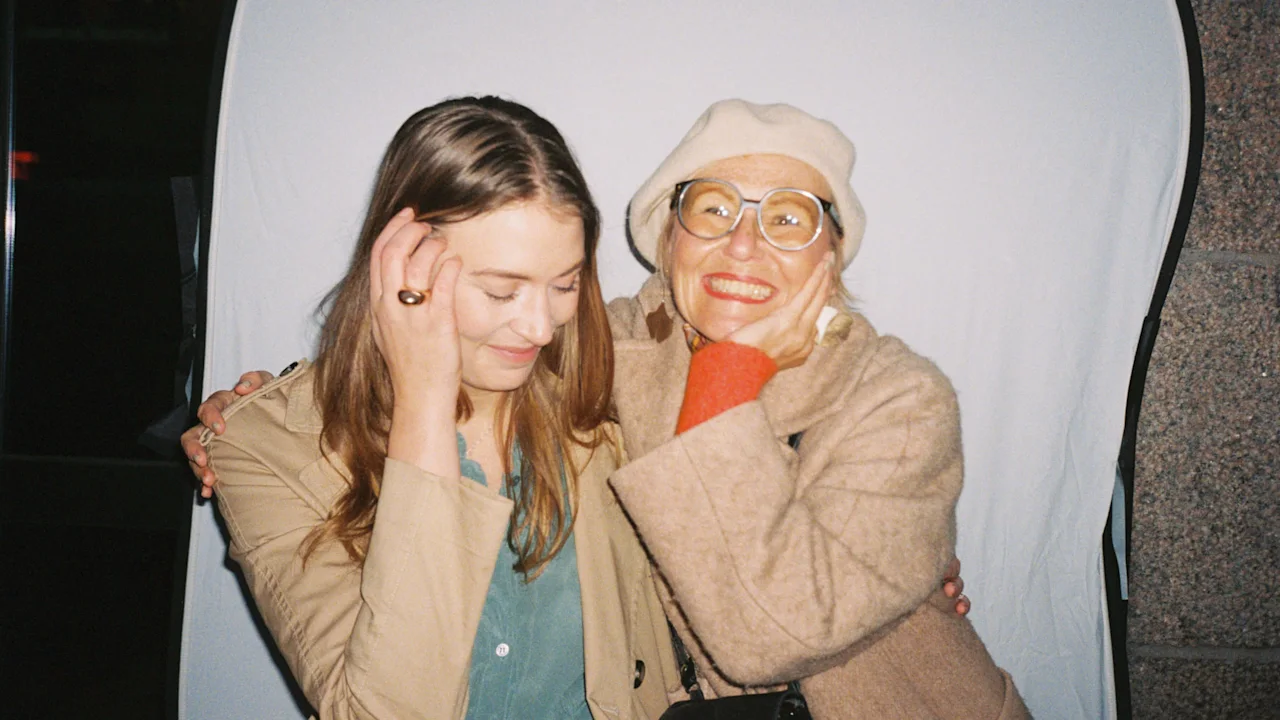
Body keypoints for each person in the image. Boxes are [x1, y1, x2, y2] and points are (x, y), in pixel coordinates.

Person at [187, 99, 1025, 718]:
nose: (540, 324)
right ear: (666, 238)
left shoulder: (885, 395)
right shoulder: (604, 360)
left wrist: (909, 568)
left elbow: (765, 626)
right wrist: (400, 393)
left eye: (791, 219)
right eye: (714, 211)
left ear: (836, 252)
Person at [191, 96, 679, 720]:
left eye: (564, 284)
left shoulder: (609, 395)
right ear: (403, 264)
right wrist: (423, 394)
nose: (540, 328)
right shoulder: (262, 447)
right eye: (501, 289)